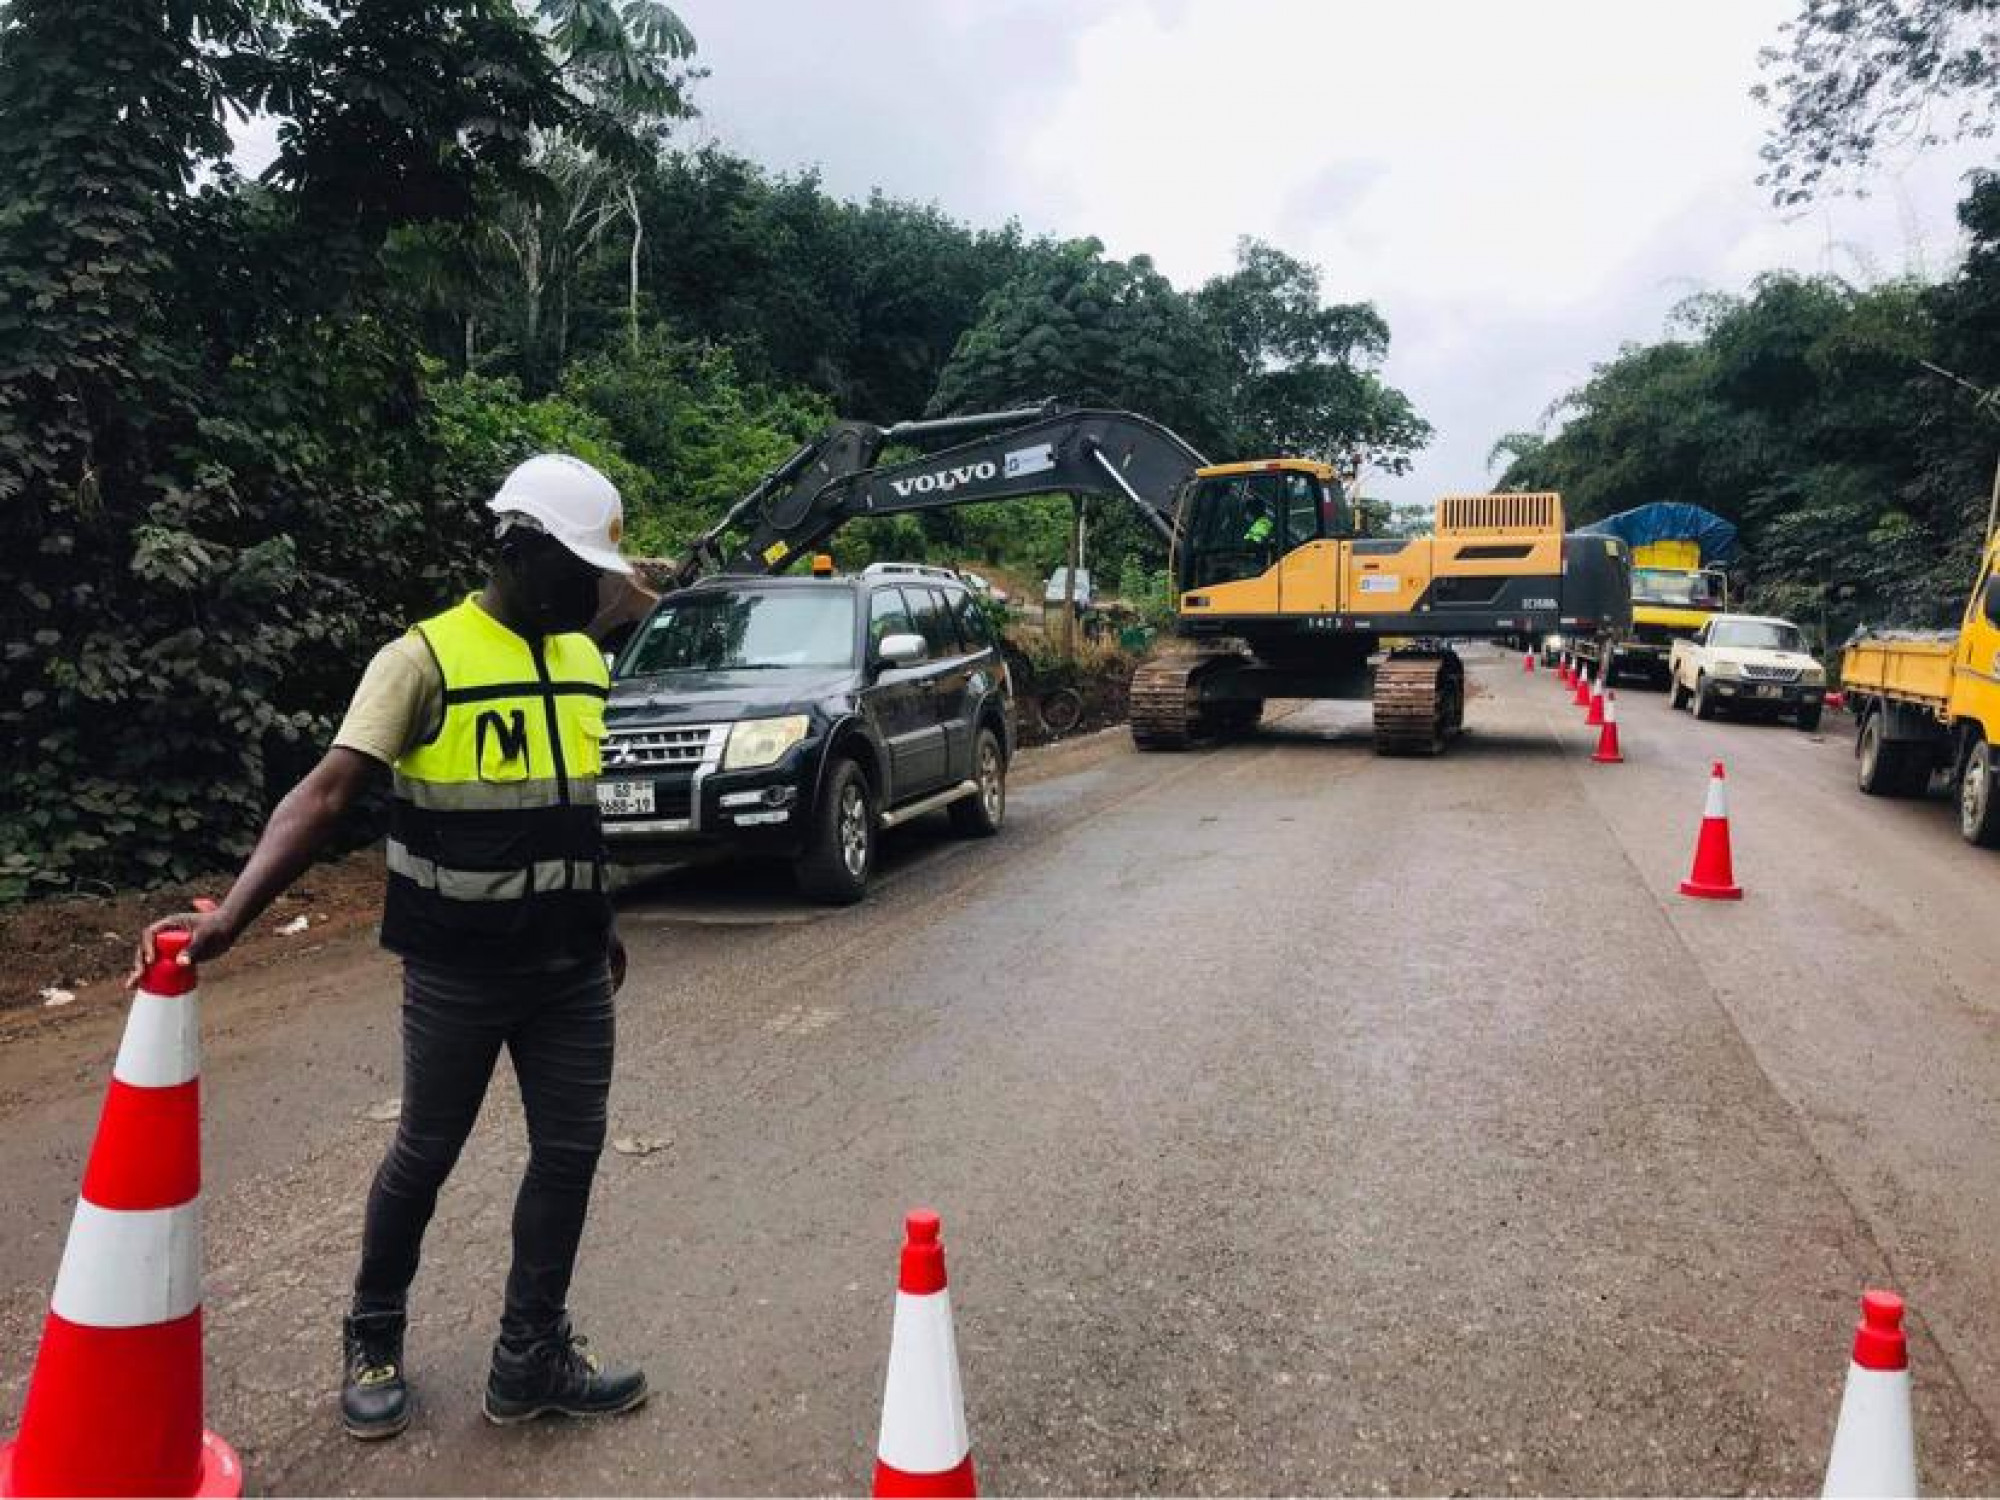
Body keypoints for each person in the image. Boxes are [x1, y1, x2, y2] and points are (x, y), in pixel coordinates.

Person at [130, 454, 646, 1440]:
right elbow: (324, 794)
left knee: (569, 1155)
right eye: (577, 569)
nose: (592, 593)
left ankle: (530, 1356)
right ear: (516, 551)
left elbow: (569, 807)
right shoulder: (422, 660)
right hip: (458, 970)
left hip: (571, 969)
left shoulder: (587, 660)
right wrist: (230, 916)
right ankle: (372, 1335)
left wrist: (601, 917)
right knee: (425, 1154)